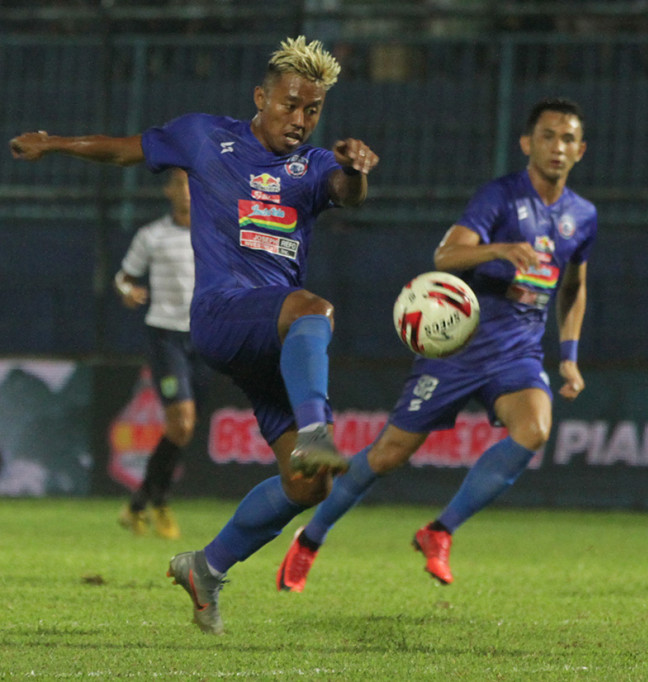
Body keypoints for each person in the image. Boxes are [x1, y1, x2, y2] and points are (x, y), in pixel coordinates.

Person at [10, 36, 380, 635]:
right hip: (219, 314)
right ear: (261, 97)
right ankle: (316, 430)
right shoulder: (207, 137)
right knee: (315, 308)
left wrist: (356, 172)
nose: (300, 119)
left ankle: (206, 568)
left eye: (312, 110)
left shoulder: (313, 167)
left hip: (271, 337)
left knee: (310, 484)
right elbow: (123, 151)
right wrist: (54, 143)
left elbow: (346, 194)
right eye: (289, 104)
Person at [276, 97, 595, 593]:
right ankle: (310, 539)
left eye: (568, 138)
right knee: (386, 456)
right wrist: (498, 250)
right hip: (459, 347)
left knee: (534, 428)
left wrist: (569, 358)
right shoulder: (500, 197)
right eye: (549, 136)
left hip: (519, 351)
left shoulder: (583, 215)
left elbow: (574, 286)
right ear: (528, 144)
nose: (558, 147)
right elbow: (446, 255)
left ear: (581, 150)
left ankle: (439, 531)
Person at [115, 167, 212, 540]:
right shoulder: (151, 236)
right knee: (182, 423)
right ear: (169, 190)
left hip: (205, 339)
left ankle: (138, 504)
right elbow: (125, 276)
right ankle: (161, 502)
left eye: (193, 184)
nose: (187, 191)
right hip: (166, 337)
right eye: (180, 184)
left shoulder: (214, 233)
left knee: (181, 430)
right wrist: (127, 290)